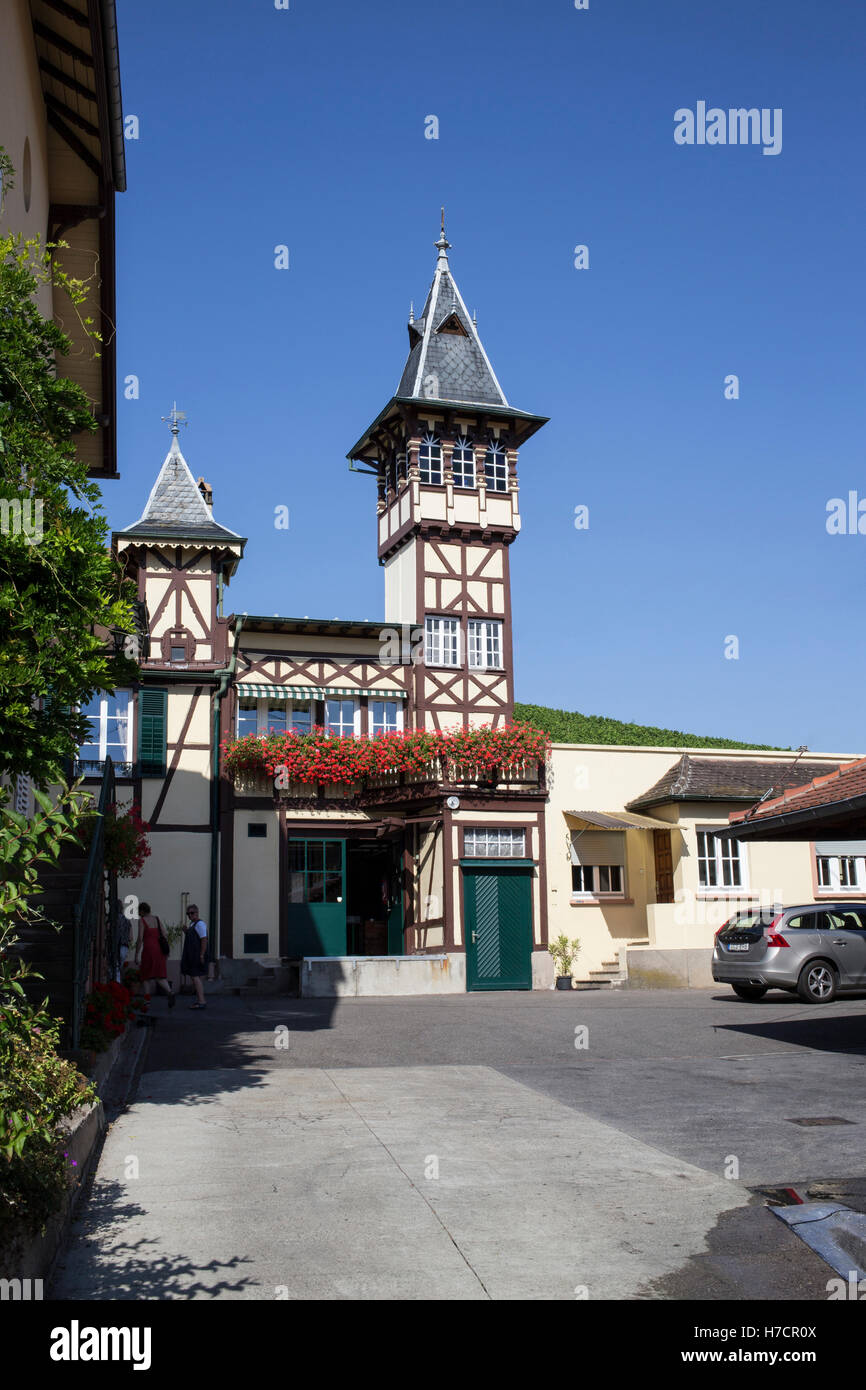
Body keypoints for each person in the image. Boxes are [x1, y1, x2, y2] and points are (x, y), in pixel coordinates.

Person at [134, 902, 175, 1008]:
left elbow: (140, 938)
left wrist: (136, 954)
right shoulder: (156, 919)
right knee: (159, 975)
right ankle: (170, 992)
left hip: (149, 950)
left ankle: (147, 1000)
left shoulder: (142, 921)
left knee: (146, 976)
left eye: (139, 911)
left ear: (142, 911)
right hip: (159, 951)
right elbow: (165, 933)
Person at [181, 904, 208, 1009]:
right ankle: (201, 1000)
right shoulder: (193, 924)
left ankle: (201, 1001)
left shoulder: (200, 924)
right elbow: (193, 938)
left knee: (195, 977)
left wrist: (202, 954)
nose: (190, 915)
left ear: (197, 913)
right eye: (188, 914)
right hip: (192, 955)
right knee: (194, 977)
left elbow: (204, 939)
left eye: (192, 913)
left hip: (197, 955)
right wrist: (186, 932)